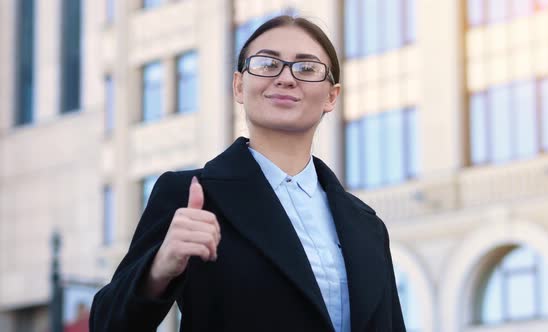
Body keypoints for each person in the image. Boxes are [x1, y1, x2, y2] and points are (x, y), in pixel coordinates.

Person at [90, 15, 407, 332]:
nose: (285, 78)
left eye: (306, 68)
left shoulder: (367, 226)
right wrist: (159, 268)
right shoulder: (190, 195)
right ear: (239, 86)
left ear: (331, 97)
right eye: (268, 64)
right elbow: (106, 323)